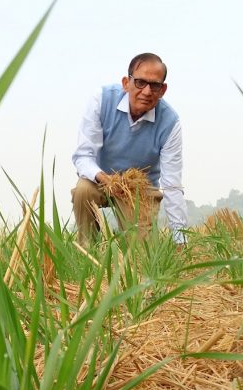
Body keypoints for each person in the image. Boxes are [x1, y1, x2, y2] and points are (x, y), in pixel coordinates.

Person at [71, 52, 187, 246]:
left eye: (155, 85)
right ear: (126, 82)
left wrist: (180, 238)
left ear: (163, 90)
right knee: (83, 190)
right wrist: (104, 178)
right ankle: (87, 250)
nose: (147, 92)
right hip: (102, 180)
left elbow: (172, 184)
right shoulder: (102, 100)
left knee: (142, 255)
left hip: (140, 189)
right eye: (140, 82)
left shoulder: (170, 122)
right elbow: (83, 156)